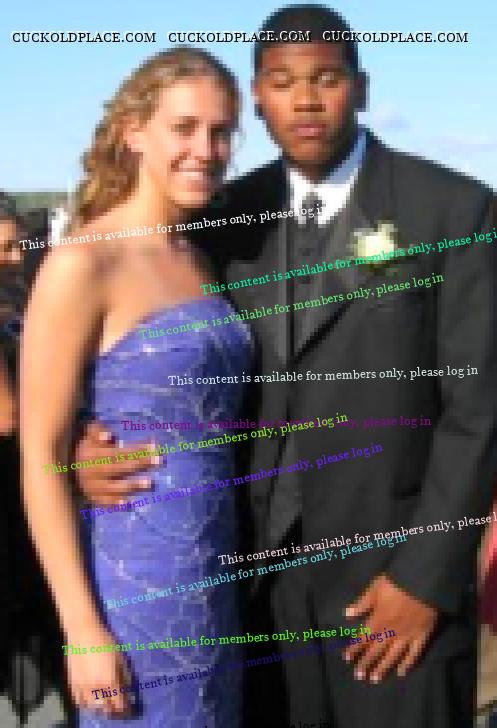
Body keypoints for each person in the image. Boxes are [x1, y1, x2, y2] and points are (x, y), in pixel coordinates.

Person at [74, 5, 497, 728]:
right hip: (251, 593)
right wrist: (92, 441)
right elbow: (150, 351)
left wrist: (426, 578)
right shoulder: (222, 218)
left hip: (390, 593)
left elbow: (478, 410)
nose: (304, 100)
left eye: (326, 79)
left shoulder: (453, 211)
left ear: (360, 88)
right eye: (281, 82)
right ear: (257, 97)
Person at [20, 47, 251, 726]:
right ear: (133, 132)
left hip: (214, 572)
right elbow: (39, 456)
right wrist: (82, 629)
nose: (205, 150)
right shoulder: (83, 263)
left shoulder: (198, 256)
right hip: (133, 578)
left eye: (220, 132)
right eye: (184, 128)